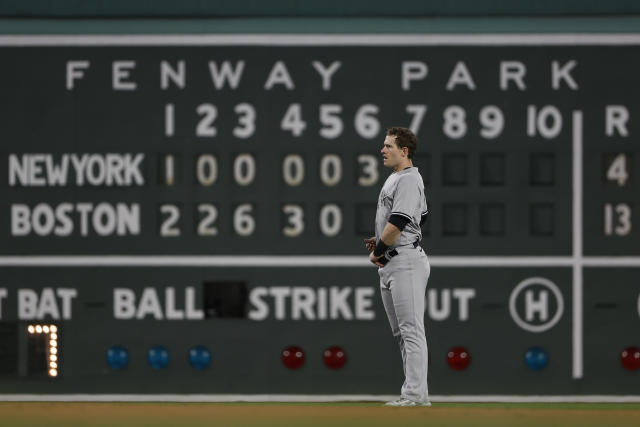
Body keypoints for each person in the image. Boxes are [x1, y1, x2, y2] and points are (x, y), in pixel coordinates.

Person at [365, 127, 431, 407]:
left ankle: (415, 396)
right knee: (402, 333)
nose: (383, 150)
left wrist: (380, 249)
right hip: (396, 259)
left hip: (404, 261)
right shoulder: (397, 178)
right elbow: (421, 217)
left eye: (388, 145)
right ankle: (416, 395)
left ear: (404, 151)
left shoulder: (407, 179)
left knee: (411, 330)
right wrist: (382, 241)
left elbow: (399, 222)